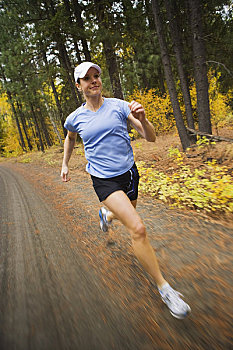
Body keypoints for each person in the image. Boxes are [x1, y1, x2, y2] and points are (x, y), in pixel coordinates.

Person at [60, 61, 191, 319]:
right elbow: (70, 137)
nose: (94, 80)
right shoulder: (75, 118)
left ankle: (106, 216)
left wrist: (143, 119)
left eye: (96, 76)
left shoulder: (120, 106)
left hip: (129, 173)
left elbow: (150, 137)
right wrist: (64, 164)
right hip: (103, 180)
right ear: (79, 86)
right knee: (138, 228)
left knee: (128, 213)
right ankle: (165, 289)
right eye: (87, 78)